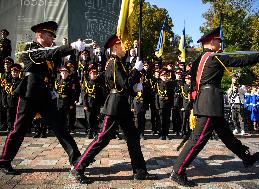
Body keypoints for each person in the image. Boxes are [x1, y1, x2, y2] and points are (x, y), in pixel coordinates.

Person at [170, 26, 259, 187]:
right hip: (210, 104)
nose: (220, 43)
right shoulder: (216, 57)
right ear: (210, 41)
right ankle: (178, 171)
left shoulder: (198, 59)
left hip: (207, 102)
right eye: (218, 40)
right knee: (198, 139)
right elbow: (244, 60)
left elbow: (187, 79)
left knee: (227, 136)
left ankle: (246, 157)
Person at [0, 21, 83, 175]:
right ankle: (5, 161)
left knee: (60, 127)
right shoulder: (30, 48)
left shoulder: (49, 50)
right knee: (19, 129)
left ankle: (76, 159)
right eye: (50, 35)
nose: (52, 38)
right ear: (40, 34)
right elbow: (45, 55)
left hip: (45, 95)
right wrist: (69, 46)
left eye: (53, 35)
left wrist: (73, 51)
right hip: (29, 94)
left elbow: (55, 62)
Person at [70, 34, 149, 184]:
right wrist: (136, 71)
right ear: (115, 47)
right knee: (102, 139)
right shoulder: (113, 63)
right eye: (123, 45)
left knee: (133, 138)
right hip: (114, 106)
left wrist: (135, 88)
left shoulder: (118, 62)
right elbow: (123, 84)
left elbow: (123, 87)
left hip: (122, 105)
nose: (126, 48)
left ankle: (140, 171)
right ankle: (78, 167)